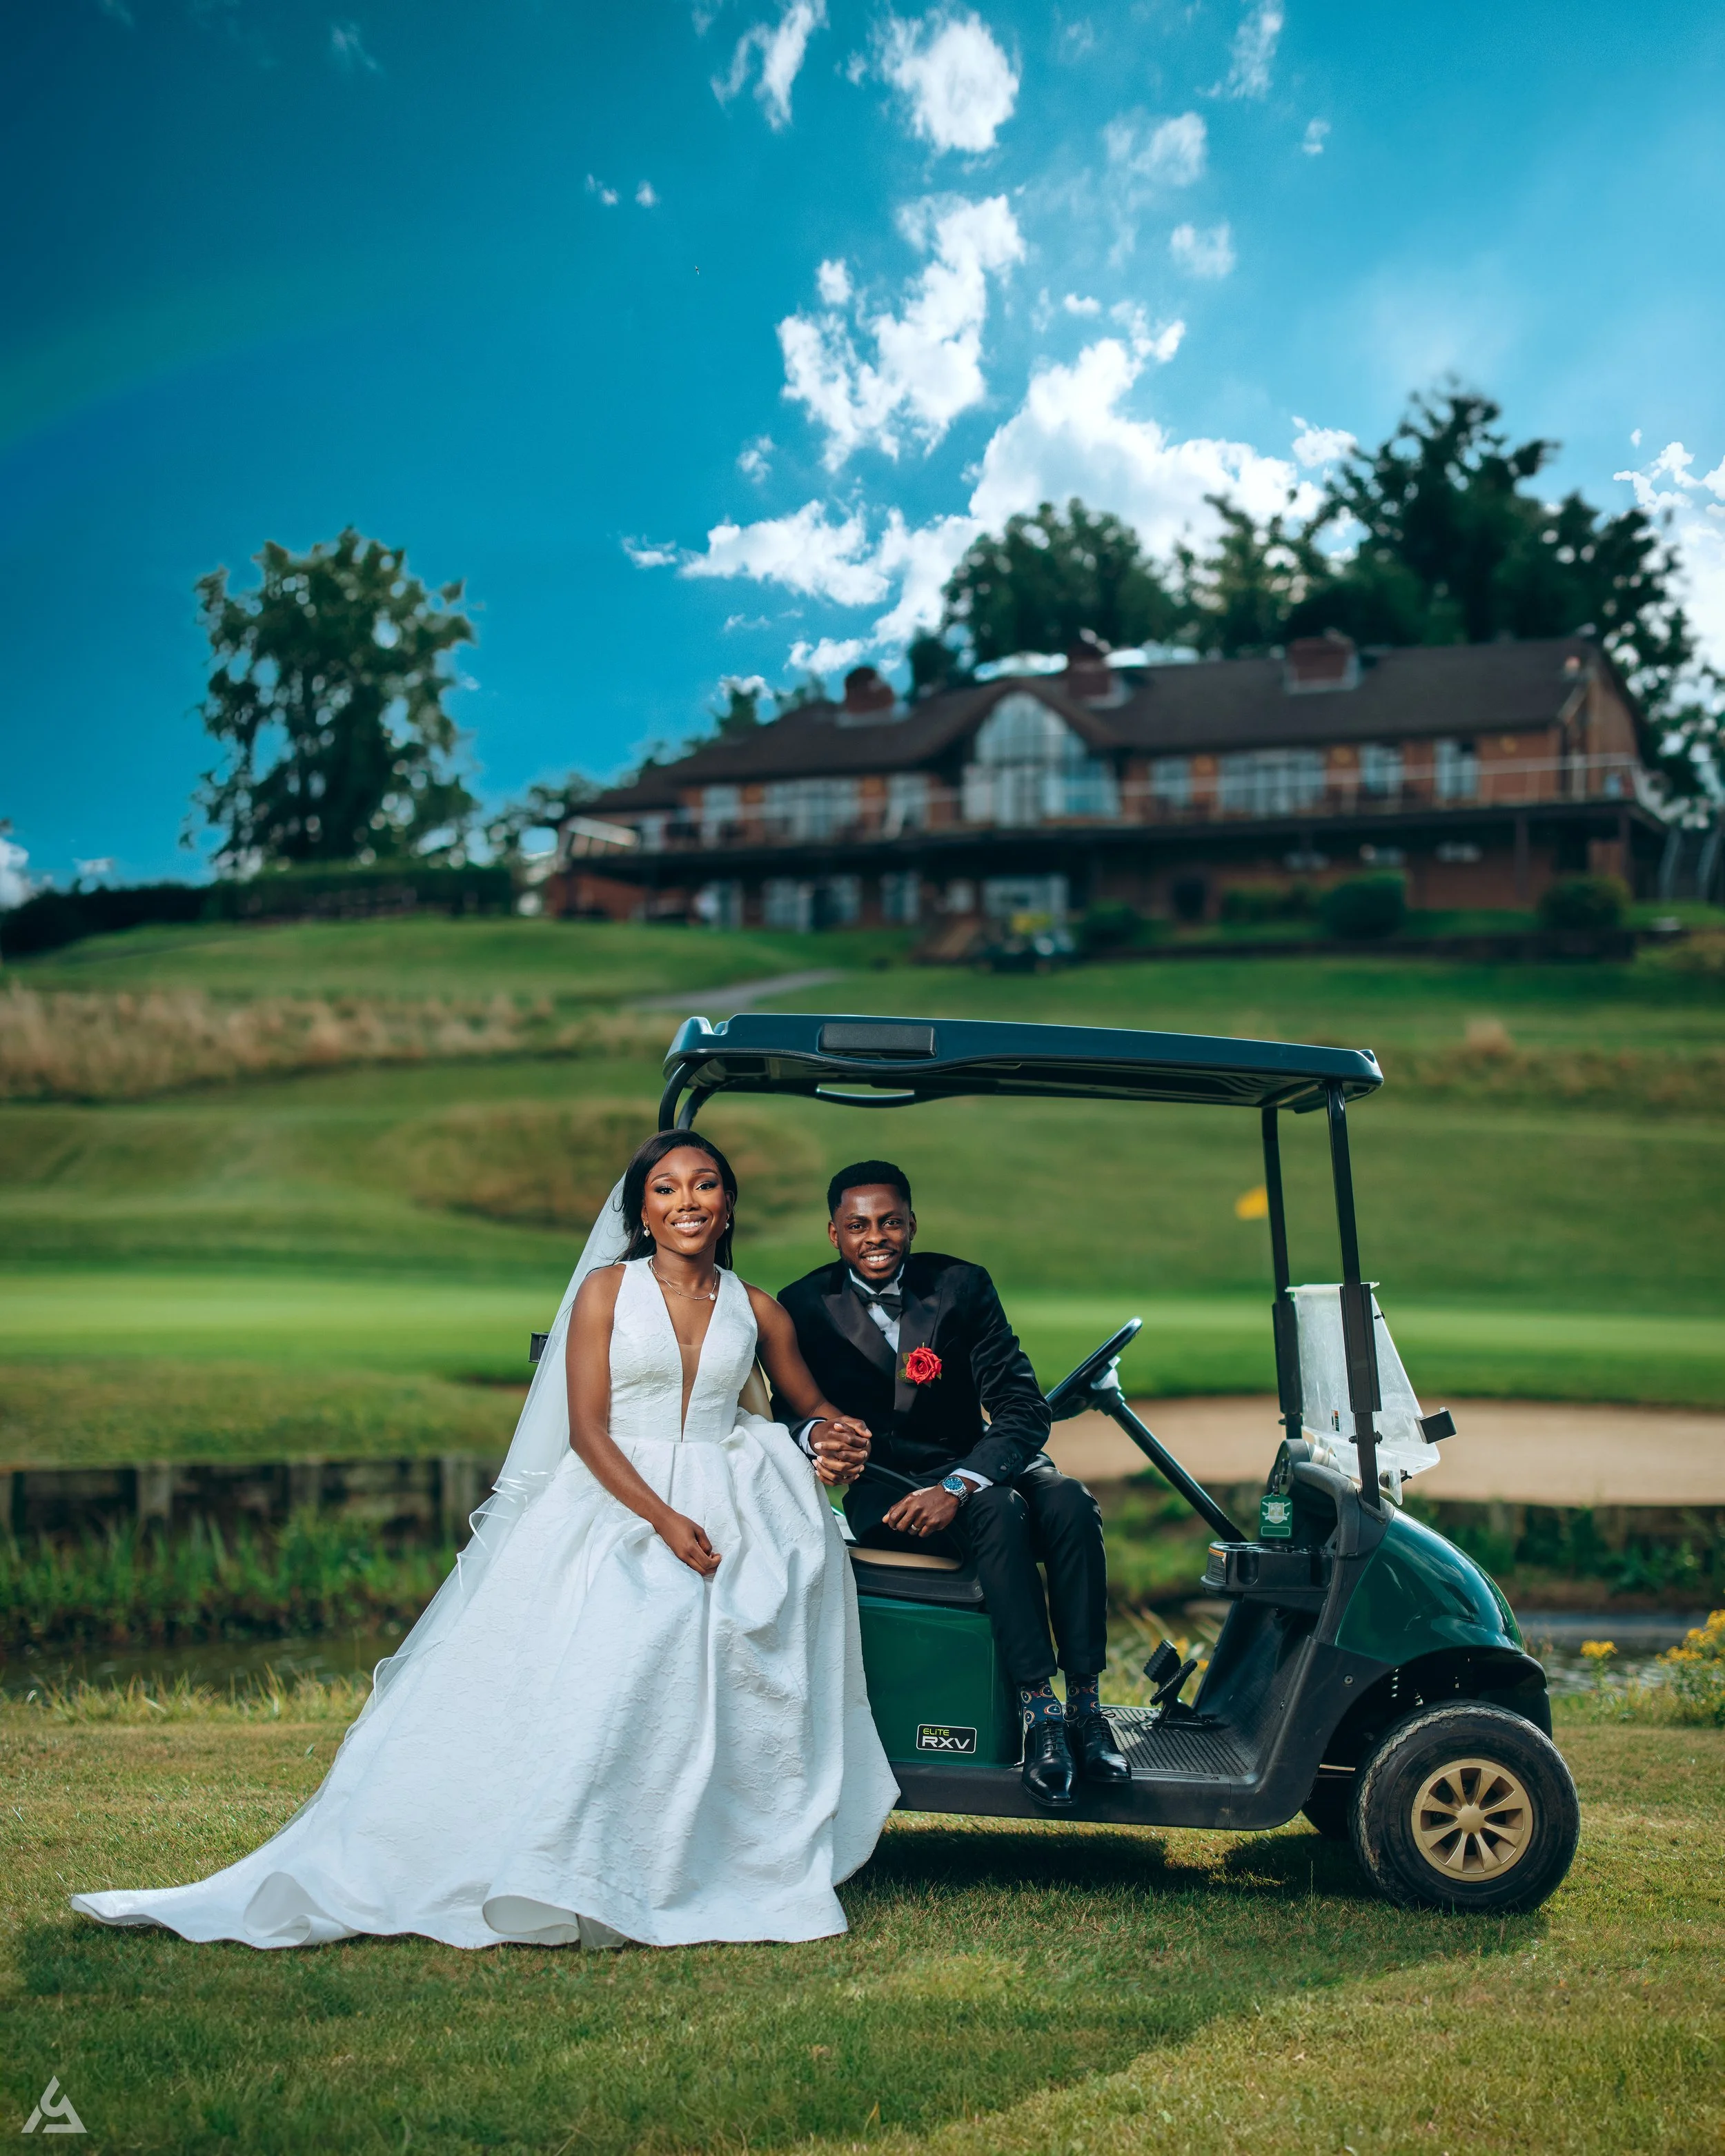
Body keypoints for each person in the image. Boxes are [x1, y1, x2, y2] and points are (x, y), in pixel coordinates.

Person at [70, 1132, 898, 1950]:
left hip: (734, 1496)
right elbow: (586, 1429)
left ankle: (697, 1850)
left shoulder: (756, 1307)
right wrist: (663, 1518)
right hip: (621, 1499)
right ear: (642, 1211)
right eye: (666, 1188)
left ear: (728, 1204)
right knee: (622, 1653)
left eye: (705, 1184)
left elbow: (808, 1405)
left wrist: (835, 1435)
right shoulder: (608, 1293)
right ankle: (564, 1855)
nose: (687, 1201)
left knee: (727, 1650)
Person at [775, 1160, 1129, 1812]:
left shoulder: (962, 1285)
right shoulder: (801, 1305)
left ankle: (1084, 1705)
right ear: (834, 1233)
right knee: (997, 1510)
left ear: (912, 1223)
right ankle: (1037, 1711)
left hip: (979, 1462)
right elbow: (788, 1413)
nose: (875, 1237)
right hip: (890, 1485)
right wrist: (820, 1438)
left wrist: (961, 1482)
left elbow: (1024, 1409)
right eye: (858, 1226)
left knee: (1071, 1502)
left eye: (889, 1222)